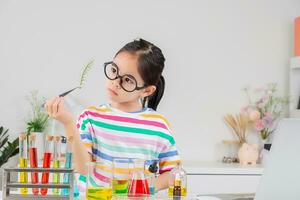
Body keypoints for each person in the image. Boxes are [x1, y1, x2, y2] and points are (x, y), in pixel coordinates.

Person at [45, 38, 181, 196]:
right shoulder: (90, 118)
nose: (115, 82)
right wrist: (68, 123)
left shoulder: (158, 126)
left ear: (147, 91)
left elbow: (174, 173)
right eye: (114, 71)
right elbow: (82, 168)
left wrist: (145, 186)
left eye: (128, 80)